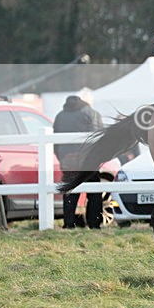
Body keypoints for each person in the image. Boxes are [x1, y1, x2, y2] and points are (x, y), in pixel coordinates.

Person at [54, 94, 104, 229]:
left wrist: (63, 158)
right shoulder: (91, 113)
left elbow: (55, 143)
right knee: (94, 193)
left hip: (68, 162)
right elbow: (98, 139)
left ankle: (69, 223)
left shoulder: (60, 116)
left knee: (70, 193)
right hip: (88, 162)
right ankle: (94, 224)